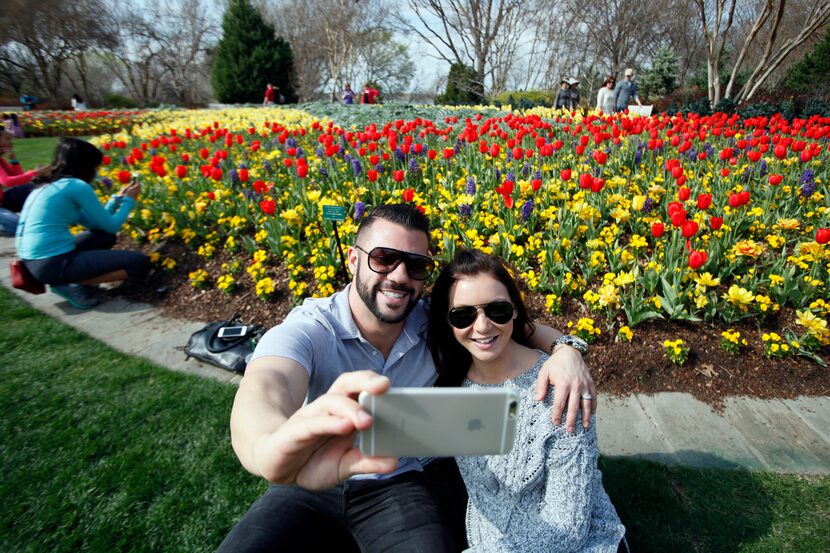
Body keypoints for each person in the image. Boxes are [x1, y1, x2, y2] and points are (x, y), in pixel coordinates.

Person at [219, 203, 597, 552]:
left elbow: (510, 323)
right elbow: (266, 387)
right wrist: (266, 447)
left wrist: (566, 350)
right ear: (353, 259)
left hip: (394, 482)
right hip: (308, 478)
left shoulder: (437, 321)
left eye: (415, 265)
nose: (399, 276)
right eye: (383, 259)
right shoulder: (313, 329)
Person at [427, 249, 626, 552]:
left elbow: (567, 531)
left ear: (515, 310)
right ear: (447, 322)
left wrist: (566, 350)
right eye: (463, 315)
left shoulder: (560, 387)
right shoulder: (450, 383)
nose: (482, 327)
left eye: (497, 311)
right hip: (487, 539)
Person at [15, 138, 150, 309]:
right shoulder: (76, 186)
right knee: (138, 263)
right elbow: (112, 225)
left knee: (104, 237)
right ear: (86, 165)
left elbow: (97, 225)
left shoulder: (49, 185)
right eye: (95, 167)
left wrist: (117, 200)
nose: (97, 172)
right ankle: (72, 284)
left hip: (32, 262)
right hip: (52, 263)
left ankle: (67, 279)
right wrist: (130, 201)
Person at [0, 128, 51, 234]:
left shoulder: (1, 160)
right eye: (7, 138)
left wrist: (13, 158)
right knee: (27, 228)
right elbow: (6, 181)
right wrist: (34, 173)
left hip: (3, 200)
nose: (10, 142)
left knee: (36, 184)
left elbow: (18, 177)